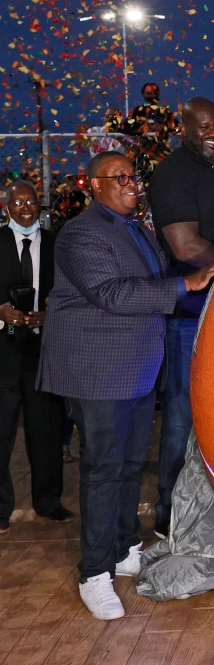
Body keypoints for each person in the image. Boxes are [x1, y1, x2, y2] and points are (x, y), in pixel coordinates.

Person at [36, 151, 214, 620]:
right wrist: (187, 285)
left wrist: (203, 292)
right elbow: (112, 294)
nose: (131, 184)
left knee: (129, 464)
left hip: (138, 367)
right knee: (103, 470)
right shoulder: (81, 233)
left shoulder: (136, 229)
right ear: (94, 186)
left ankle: (122, 550)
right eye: (119, 178)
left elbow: (153, 289)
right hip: (98, 371)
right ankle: (94, 573)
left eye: (133, 176)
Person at [149, 97, 214, 540]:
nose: (213, 132)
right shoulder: (171, 173)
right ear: (184, 129)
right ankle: (169, 511)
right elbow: (185, 246)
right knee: (181, 413)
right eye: (203, 125)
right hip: (188, 313)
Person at [0, 181, 72, 534]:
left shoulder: (59, 245)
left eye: (31, 201)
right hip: (3, 353)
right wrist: (1, 312)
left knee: (46, 430)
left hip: (45, 350)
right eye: (18, 202)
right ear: (6, 207)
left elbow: (72, 293)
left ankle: (49, 502)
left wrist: (51, 315)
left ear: (40, 205)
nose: (26, 208)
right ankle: (0, 510)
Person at [120, 83, 179, 185]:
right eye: (148, 93)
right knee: (143, 180)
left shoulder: (165, 111)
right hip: (143, 152)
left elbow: (177, 128)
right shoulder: (138, 111)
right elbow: (123, 128)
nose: (152, 95)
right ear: (143, 94)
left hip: (161, 151)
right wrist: (141, 131)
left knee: (165, 180)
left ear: (159, 94)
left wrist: (162, 130)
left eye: (154, 92)